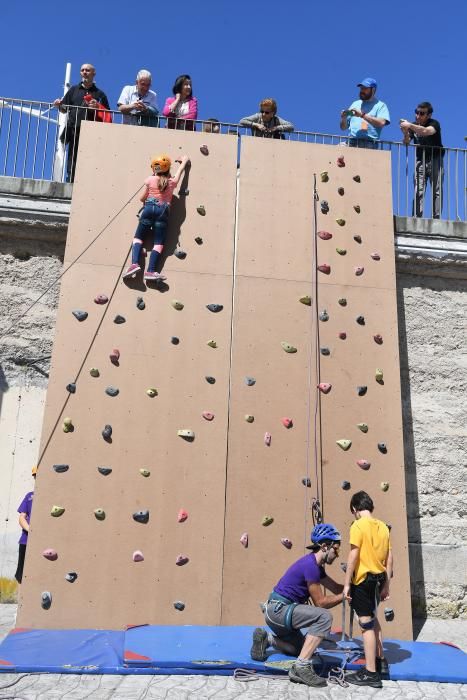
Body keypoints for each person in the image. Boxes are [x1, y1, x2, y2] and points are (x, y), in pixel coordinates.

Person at [250, 523, 344, 688]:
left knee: (302, 649)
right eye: (335, 549)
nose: (337, 554)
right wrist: (344, 597)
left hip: (275, 613)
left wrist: (355, 589)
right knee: (324, 616)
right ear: (324, 546)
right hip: (280, 610)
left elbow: (336, 588)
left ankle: (268, 640)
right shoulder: (311, 566)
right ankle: (300, 668)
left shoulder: (315, 567)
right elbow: (321, 603)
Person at [343, 491, 393, 689]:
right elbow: (389, 558)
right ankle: (380, 663)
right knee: (373, 618)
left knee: (365, 626)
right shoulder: (383, 526)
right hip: (379, 579)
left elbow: (353, 555)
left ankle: (371, 673)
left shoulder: (357, 525)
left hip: (363, 581)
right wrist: (387, 584)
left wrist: (347, 583)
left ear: (355, 509)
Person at [123, 154, 190, 282]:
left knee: (138, 238)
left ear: (154, 169)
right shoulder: (172, 182)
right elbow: (180, 171)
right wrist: (184, 161)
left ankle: (134, 264)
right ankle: (151, 271)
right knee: (158, 243)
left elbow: (142, 198)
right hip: (163, 212)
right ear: (168, 169)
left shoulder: (149, 180)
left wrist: (153, 179)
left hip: (148, 209)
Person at [54, 64, 110, 182]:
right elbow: (64, 109)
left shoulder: (100, 94)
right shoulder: (73, 90)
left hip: (93, 132)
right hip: (74, 129)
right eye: (82, 70)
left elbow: (107, 115)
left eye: (87, 70)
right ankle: (71, 181)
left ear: (93, 74)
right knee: (73, 158)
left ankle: (87, 182)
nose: (84, 72)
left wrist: (97, 107)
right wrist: (59, 105)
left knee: (90, 158)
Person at [400, 102, 444, 219]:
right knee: (418, 190)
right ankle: (417, 217)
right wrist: (405, 131)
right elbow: (406, 141)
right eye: (416, 112)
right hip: (420, 161)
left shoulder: (434, 123)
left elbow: (426, 131)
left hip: (436, 159)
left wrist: (409, 125)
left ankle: (437, 217)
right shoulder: (413, 125)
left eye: (421, 113)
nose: (418, 115)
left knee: (436, 190)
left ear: (428, 115)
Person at [340, 78, 390, 148]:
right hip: (351, 142)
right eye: (361, 88)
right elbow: (343, 127)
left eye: (365, 88)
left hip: (369, 144)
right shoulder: (355, 104)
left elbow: (381, 123)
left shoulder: (380, 105)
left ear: (373, 90)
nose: (362, 91)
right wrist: (344, 118)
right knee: (335, 151)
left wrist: (362, 115)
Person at [15, 466, 36, 584]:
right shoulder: (29, 496)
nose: (36, 478)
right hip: (26, 540)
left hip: (41, 541)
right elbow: (22, 516)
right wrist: (29, 529)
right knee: (21, 573)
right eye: (35, 476)